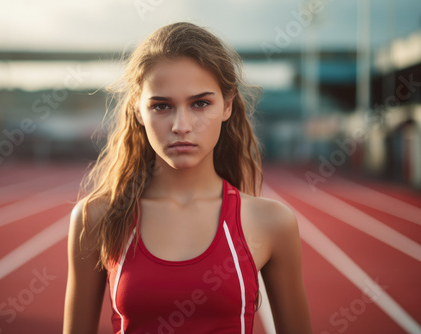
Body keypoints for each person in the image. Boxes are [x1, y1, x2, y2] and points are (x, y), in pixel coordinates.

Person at [63, 22, 312, 334]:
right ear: (139, 111)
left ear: (227, 105)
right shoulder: (97, 218)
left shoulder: (271, 223)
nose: (181, 125)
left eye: (200, 103)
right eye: (162, 106)